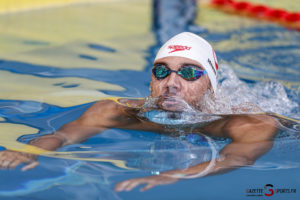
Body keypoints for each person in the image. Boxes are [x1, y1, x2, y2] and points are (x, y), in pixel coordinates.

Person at [0, 32, 277, 192]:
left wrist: (169, 175)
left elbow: (236, 158)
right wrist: (31, 151)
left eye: (189, 73)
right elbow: (62, 137)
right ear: (151, 81)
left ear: (210, 87)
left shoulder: (248, 122)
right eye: (161, 71)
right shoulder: (117, 111)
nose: (171, 83)